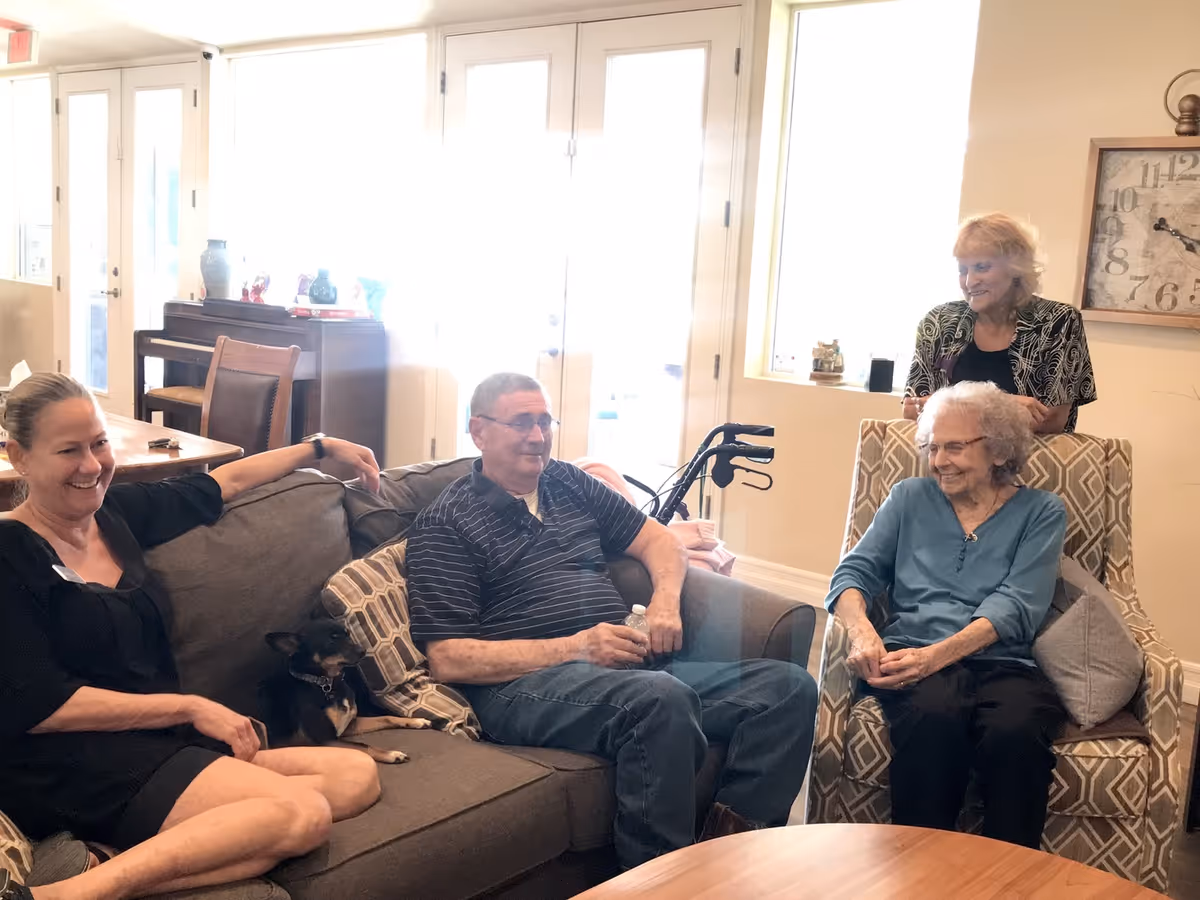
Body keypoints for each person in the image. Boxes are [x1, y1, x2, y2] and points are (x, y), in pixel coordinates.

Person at [405, 373, 816, 871]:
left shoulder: (566, 481)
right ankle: (656, 882)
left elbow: (659, 539)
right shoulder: (446, 523)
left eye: (544, 422)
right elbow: (449, 658)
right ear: (479, 431)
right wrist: (577, 647)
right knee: (660, 700)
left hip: (620, 667)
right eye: (521, 423)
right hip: (520, 686)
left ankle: (730, 860)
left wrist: (665, 601)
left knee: (787, 690)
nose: (537, 436)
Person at [0, 373, 383, 900]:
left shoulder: (117, 514)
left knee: (356, 777)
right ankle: (56, 896)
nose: (91, 466)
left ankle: (108, 858)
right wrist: (189, 707)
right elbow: (41, 705)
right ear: (19, 457)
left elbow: (226, 482)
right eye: (69, 450)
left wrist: (319, 447)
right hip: (68, 764)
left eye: (99, 443)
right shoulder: (9, 552)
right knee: (304, 814)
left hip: (159, 745)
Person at [826, 381, 1067, 849]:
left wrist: (935, 657)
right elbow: (853, 573)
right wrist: (862, 632)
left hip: (1003, 662)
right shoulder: (909, 498)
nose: (938, 461)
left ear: (999, 450)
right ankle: (919, 868)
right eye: (932, 447)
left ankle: (1011, 874)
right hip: (910, 650)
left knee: (1016, 732)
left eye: (954, 447)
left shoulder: (1041, 512)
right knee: (934, 718)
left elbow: (1018, 603)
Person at [903, 213, 1096, 434]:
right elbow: (911, 409)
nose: (970, 282)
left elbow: (1051, 421)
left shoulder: (1058, 321)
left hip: (1026, 455)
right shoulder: (940, 321)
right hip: (947, 454)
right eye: (963, 270)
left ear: (1015, 268)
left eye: (981, 267)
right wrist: (1006, 404)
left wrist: (943, 406)